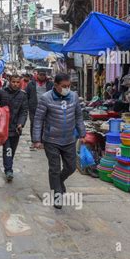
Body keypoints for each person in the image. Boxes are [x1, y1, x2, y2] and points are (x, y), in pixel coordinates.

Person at [33, 73, 86, 209]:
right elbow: (38, 119)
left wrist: (82, 133)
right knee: (54, 169)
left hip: (69, 139)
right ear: (55, 85)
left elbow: (79, 116)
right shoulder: (46, 98)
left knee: (71, 167)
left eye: (69, 86)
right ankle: (57, 195)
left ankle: (59, 181)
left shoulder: (73, 97)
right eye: (64, 86)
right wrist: (36, 139)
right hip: (51, 140)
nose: (67, 88)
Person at [0, 74, 28, 182]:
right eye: (13, 82)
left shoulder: (23, 95)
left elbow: (24, 111)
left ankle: (8, 165)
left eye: (17, 82)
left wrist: (21, 123)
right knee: (7, 149)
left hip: (16, 128)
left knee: (12, 149)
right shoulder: (2, 92)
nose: (15, 84)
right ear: (9, 82)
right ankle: (8, 170)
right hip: (3, 127)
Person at [25, 69, 54, 150]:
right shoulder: (31, 84)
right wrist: (27, 106)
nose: (42, 76)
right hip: (34, 108)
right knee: (34, 124)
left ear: (46, 75)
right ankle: (34, 141)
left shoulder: (50, 84)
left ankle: (43, 141)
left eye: (43, 75)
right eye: (40, 75)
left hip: (47, 108)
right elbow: (26, 95)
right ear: (37, 75)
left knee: (45, 125)